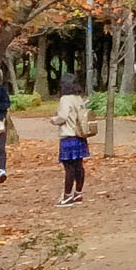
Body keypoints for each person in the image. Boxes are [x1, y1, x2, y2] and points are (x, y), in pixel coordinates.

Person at [50, 73, 92, 205]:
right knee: (79, 166)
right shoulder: (78, 98)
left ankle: (67, 196)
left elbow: (62, 116)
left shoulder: (65, 99)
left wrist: (53, 120)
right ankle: (78, 193)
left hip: (68, 136)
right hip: (79, 136)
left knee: (69, 167)